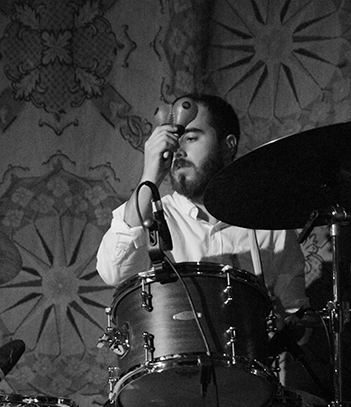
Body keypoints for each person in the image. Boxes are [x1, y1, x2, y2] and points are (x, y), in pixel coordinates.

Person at [96, 93, 309, 329]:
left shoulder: (267, 223)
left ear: (228, 145)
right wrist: (149, 176)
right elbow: (113, 272)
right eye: (173, 139)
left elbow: (297, 314)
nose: (177, 150)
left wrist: (284, 326)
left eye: (190, 138)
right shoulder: (149, 216)